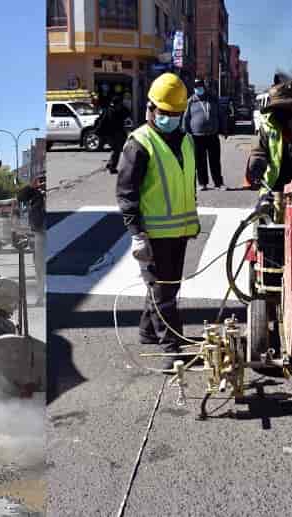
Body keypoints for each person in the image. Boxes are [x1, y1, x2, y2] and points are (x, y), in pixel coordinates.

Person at [116, 73, 201, 372]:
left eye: (175, 114)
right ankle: (172, 346)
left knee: (165, 287)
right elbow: (126, 194)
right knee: (163, 290)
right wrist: (136, 235)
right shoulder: (138, 143)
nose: (169, 119)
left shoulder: (186, 140)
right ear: (150, 109)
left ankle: (147, 331)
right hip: (152, 233)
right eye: (164, 113)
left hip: (178, 231)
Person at [182, 79, 228, 190]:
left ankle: (218, 183)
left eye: (200, 86)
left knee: (215, 161)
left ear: (204, 87)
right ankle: (203, 183)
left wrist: (224, 129)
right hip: (197, 136)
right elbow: (186, 118)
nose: (199, 89)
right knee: (200, 161)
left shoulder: (213, 99)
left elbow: (220, 115)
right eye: (196, 87)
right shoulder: (191, 101)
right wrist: (185, 132)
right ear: (194, 89)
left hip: (212, 135)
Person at [18, 172, 46, 306]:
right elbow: (20, 198)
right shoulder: (35, 192)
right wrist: (31, 187)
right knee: (40, 266)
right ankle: (41, 298)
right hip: (41, 232)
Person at [95, 95, 131, 174]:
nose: (120, 106)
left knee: (117, 149)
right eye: (119, 104)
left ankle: (110, 164)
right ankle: (112, 167)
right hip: (111, 134)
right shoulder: (109, 111)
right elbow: (102, 122)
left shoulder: (119, 110)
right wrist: (97, 132)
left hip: (117, 133)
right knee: (116, 150)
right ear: (116, 104)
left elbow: (127, 113)